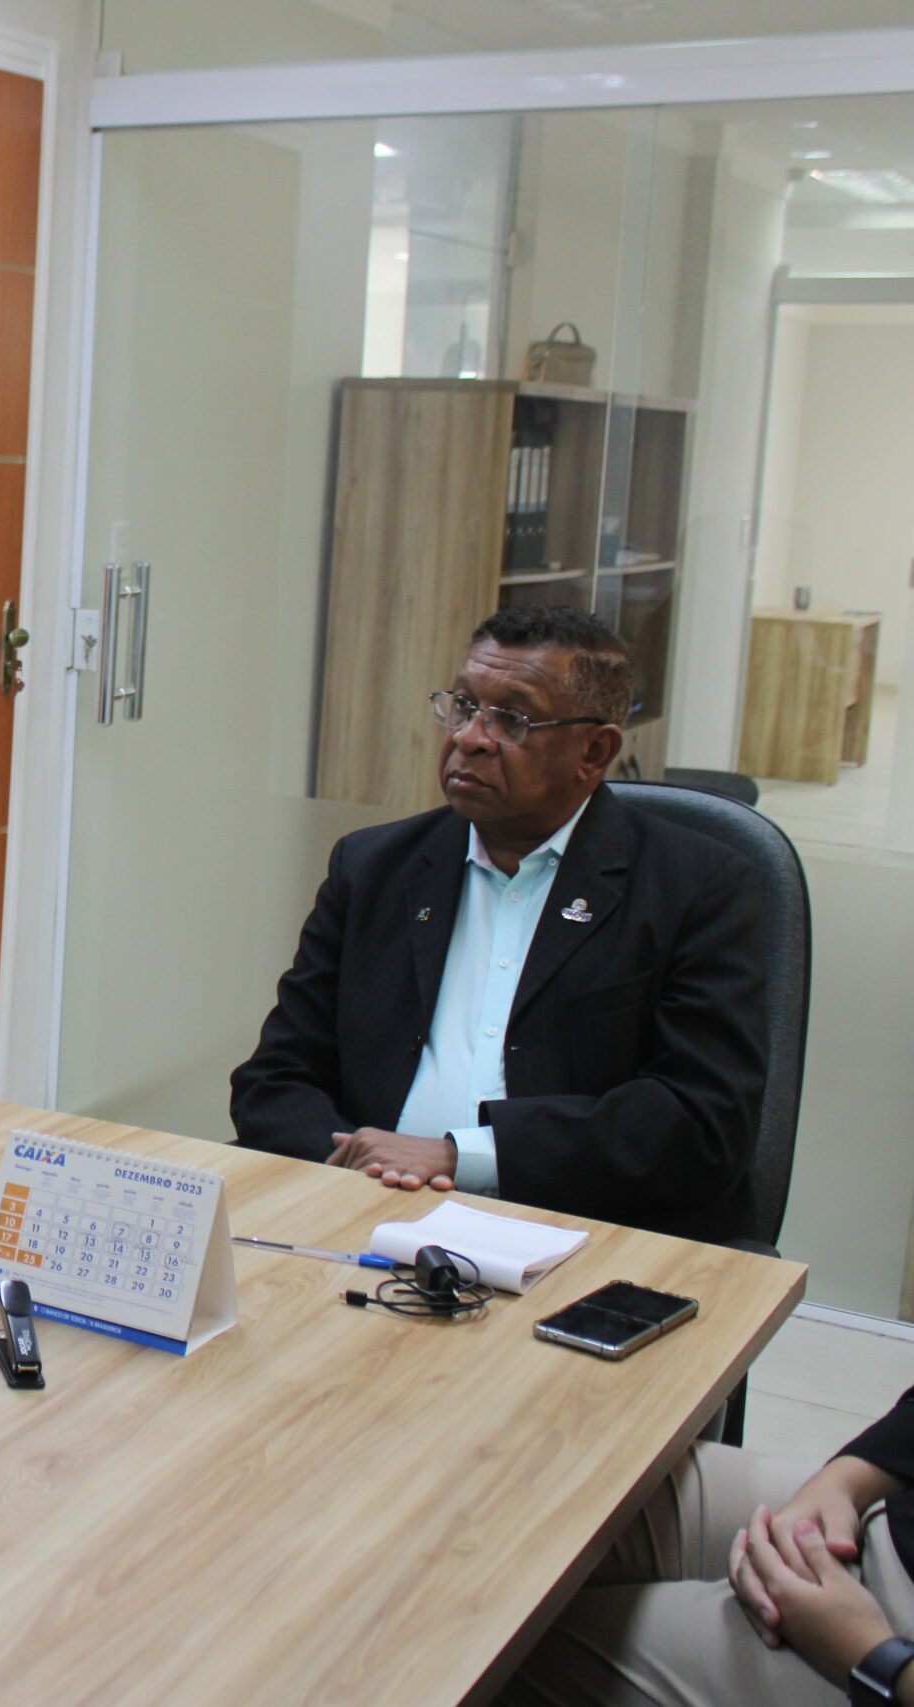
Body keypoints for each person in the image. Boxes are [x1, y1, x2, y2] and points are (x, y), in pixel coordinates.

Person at [229, 604, 767, 1243]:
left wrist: (462, 1157)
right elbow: (276, 1079)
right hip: (368, 1212)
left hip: (579, 1230)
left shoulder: (697, 885)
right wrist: (358, 1171)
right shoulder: (373, 866)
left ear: (594, 751)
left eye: (511, 719)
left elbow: (702, 1121)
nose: (470, 737)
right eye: (463, 706)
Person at [501, 1391, 914, 1706]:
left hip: (877, 1650)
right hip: (887, 1520)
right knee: (548, 1507)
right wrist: (840, 1482)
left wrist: (879, 1660)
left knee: (511, 1653)